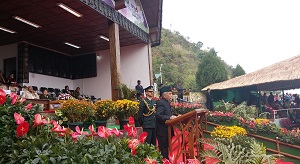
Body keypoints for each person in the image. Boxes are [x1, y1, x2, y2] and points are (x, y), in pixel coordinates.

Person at [155, 86, 178, 159]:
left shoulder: (167, 103)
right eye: (170, 93)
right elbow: (158, 115)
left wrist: (176, 116)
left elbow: (167, 114)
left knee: (166, 149)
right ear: (164, 95)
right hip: (162, 131)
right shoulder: (161, 103)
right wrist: (169, 117)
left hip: (167, 130)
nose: (171, 95)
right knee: (164, 151)